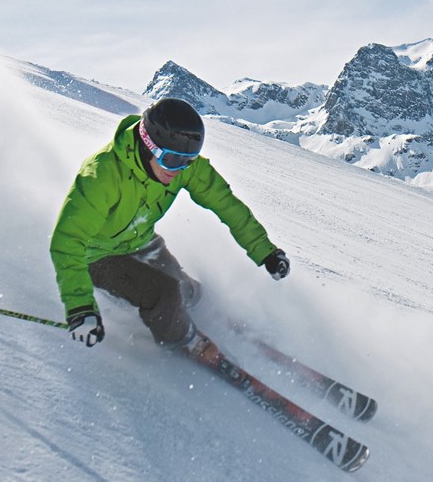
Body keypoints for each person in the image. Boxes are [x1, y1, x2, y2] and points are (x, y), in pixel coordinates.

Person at [49, 97, 290, 350]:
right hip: (96, 256)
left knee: (184, 287)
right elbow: (67, 241)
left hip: (140, 241)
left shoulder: (181, 166)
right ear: (148, 145)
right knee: (166, 294)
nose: (179, 169)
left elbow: (227, 205)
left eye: (189, 160)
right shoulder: (102, 175)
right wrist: (80, 308)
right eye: (172, 160)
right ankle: (183, 341)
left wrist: (266, 252)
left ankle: (209, 316)